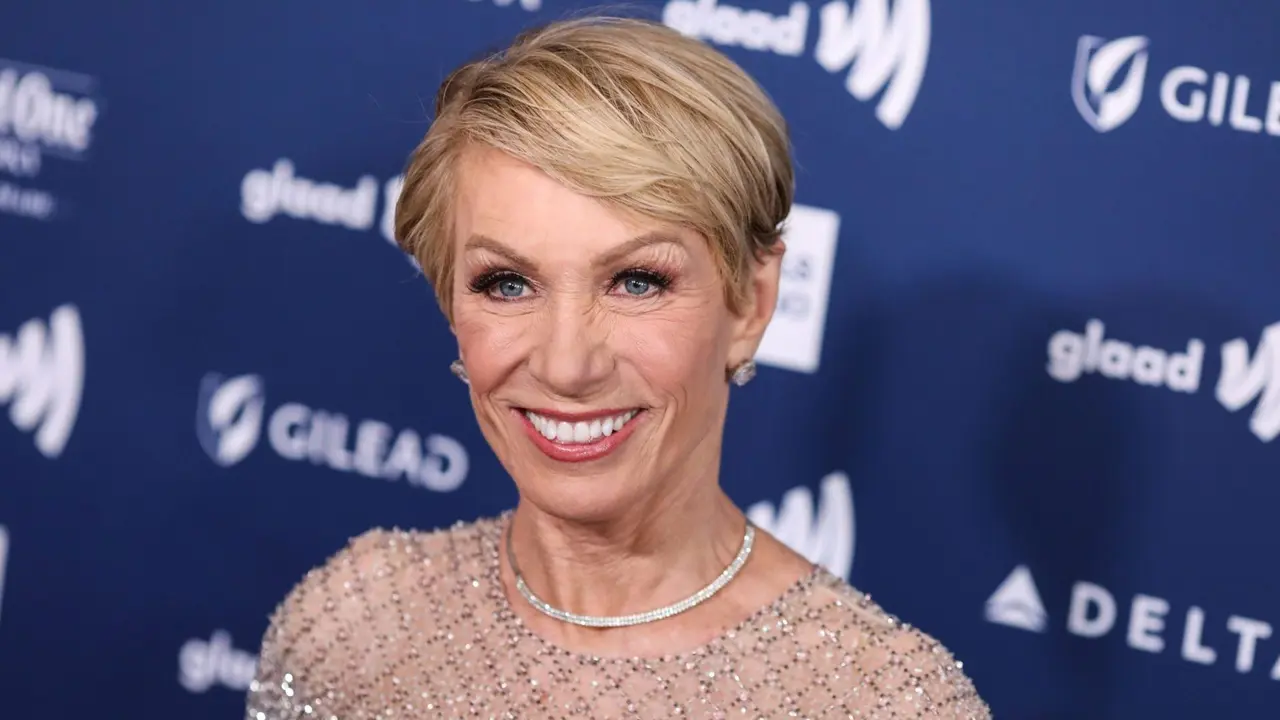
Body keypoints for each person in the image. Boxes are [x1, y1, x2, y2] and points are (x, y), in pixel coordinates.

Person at [245, 15, 990, 719]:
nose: (568, 365)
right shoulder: (354, 625)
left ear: (751, 305)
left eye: (637, 282)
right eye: (507, 284)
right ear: (450, 303)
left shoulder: (881, 700)